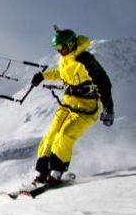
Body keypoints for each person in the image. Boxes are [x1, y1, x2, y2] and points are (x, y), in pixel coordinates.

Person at [30, 26, 113, 186]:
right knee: (50, 136)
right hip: (68, 105)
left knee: (64, 136)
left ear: (71, 43)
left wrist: (108, 108)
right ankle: (43, 172)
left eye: (62, 47)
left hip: (86, 109)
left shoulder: (85, 59)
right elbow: (61, 73)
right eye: (57, 49)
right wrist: (42, 76)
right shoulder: (65, 59)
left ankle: (57, 171)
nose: (60, 51)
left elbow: (103, 82)